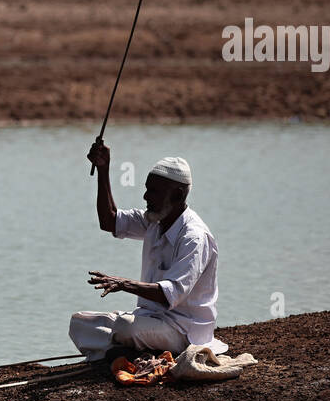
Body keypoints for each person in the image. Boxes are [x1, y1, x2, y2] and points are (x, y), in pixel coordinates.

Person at [69, 141, 227, 363]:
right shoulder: (155, 220)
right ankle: (127, 351)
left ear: (178, 195)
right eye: (147, 189)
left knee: (125, 327)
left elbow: (170, 294)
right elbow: (110, 220)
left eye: (153, 191)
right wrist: (104, 170)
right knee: (79, 323)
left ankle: (121, 352)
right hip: (150, 321)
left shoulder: (194, 237)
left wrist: (124, 284)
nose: (145, 197)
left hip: (184, 331)